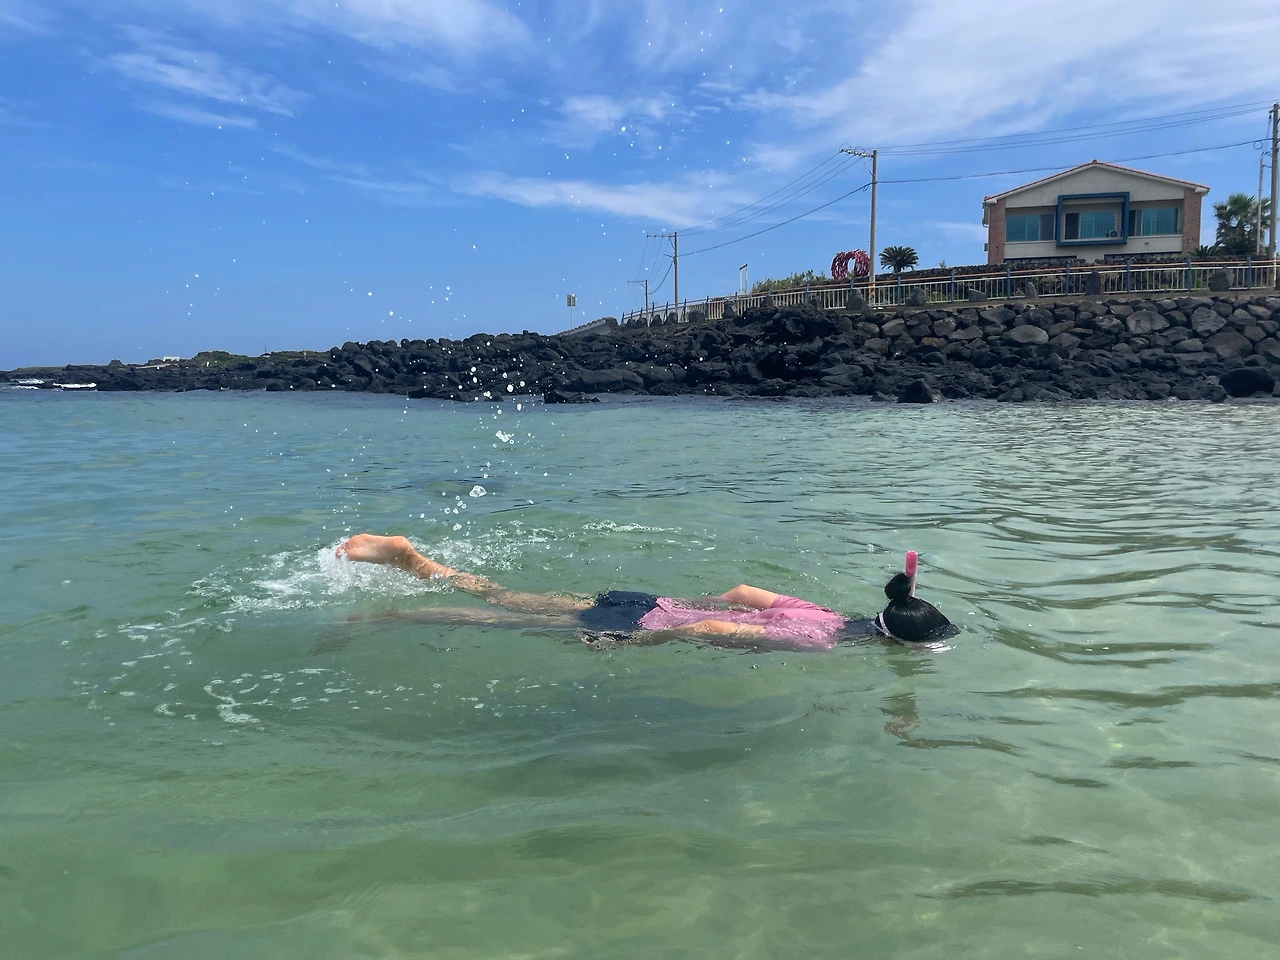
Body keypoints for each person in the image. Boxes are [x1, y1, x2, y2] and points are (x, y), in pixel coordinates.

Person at [335, 534, 955, 651]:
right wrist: (632, 644)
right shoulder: (819, 643)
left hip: (652, 602)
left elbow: (739, 595)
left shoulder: (822, 613)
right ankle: (391, 615)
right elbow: (714, 631)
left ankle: (421, 564)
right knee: (502, 623)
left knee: (514, 598)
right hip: (647, 625)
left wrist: (677, 608)